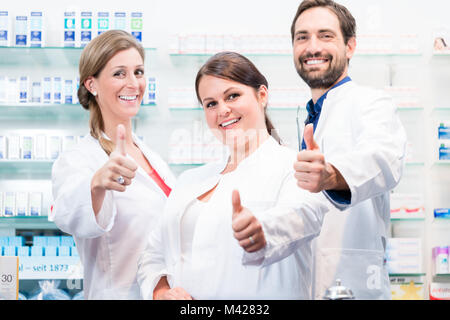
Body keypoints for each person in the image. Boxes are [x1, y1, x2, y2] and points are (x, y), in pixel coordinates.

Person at [137, 52, 329, 300]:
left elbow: (301, 216)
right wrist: (160, 291)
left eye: (233, 96)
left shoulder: (293, 166)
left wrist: (261, 232)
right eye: (211, 104)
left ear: (262, 95)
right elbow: (154, 254)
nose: (223, 110)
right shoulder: (190, 180)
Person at [287, 0, 406, 299]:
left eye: (325, 36)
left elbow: (384, 160)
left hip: (354, 282)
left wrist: (331, 176)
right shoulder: (306, 116)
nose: (312, 47)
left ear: (350, 46)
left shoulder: (372, 103)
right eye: (302, 37)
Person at [51, 30, 176, 299]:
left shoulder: (154, 158)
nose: (133, 83)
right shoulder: (78, 159)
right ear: (92, 85)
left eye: (139, 72)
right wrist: (96, 185)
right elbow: (67, 213)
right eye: (120, 73)